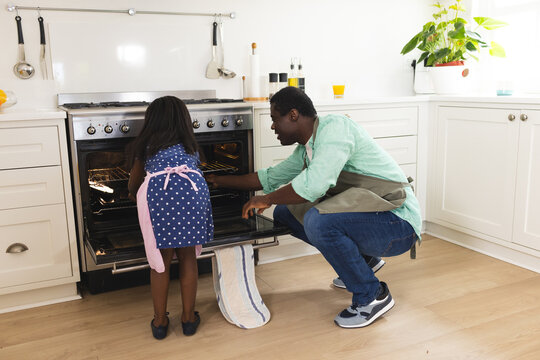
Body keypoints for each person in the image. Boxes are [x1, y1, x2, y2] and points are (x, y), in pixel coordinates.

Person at [206, 87, 422, 328]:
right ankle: (364, 262)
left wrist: (266, 199)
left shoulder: (335, 129)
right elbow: (269, 177)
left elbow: (313, 186)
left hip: (398, 223)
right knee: (285, 214)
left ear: (294, 115)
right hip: (375, 216)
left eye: (275, 119)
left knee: (318, 220)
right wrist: (218, 180)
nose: (272, 126)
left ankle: (371, 296)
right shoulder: (307, 148)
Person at [127, 96, 213, 339]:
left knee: (160, 262)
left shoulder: (145, 147)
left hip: (158, 196)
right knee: (187, 257)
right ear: (184, 120)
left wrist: (134, 196)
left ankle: (160, 321)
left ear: (151, 121)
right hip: (193, 193)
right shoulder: (191, 146)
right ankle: (188, 319)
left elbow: (134, 184)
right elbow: (199, 170)